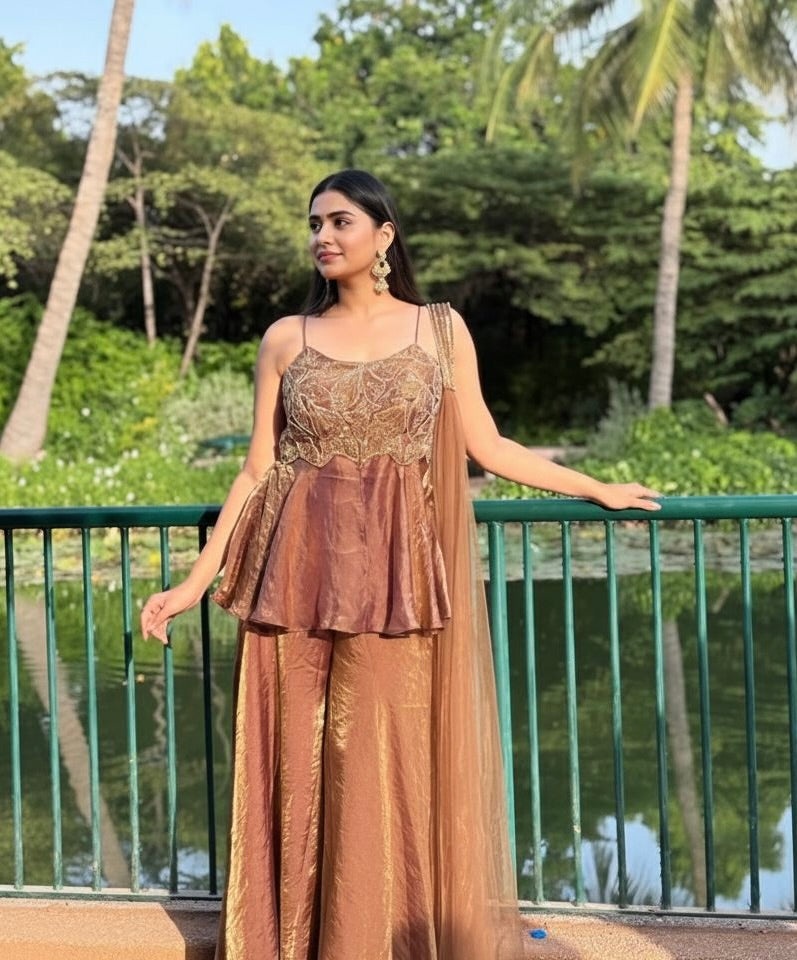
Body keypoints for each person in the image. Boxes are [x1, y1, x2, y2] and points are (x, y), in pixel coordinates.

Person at [140, 168, 661, 959]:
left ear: (383, 235)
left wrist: (596, 487)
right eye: (314, 223)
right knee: (295, 762)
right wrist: (192, 582)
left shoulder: (439, 331)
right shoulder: (286, 337)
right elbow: (255, 472)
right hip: (291, 579)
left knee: (382, 755)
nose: (322, 236)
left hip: (394, 583)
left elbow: (487, 446)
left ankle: (378, 939)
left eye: (339, 221)